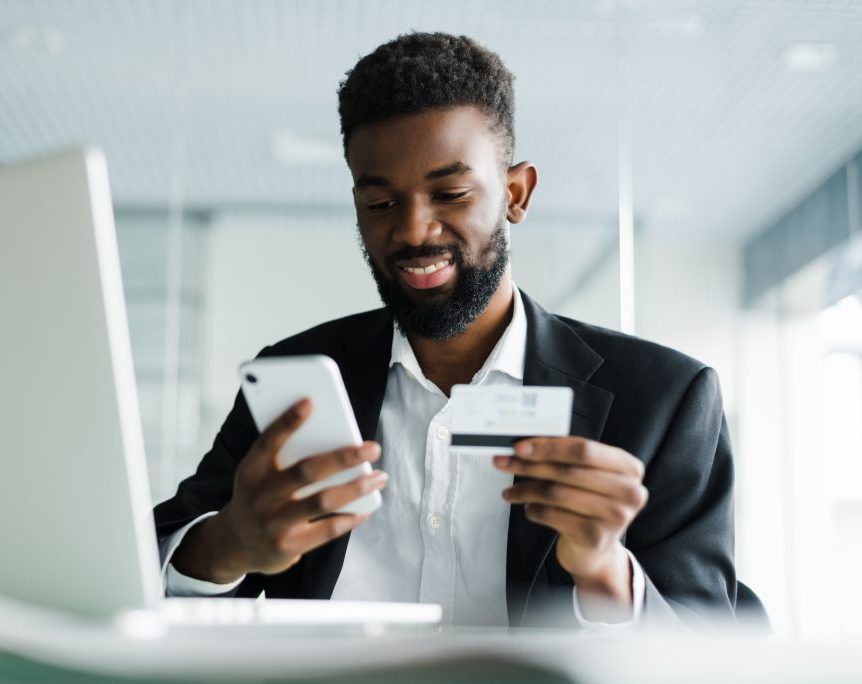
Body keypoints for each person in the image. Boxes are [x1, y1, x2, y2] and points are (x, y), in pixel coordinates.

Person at [153, 32, 735, 628]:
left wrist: (604, 569)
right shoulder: (295, 380)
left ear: (515, 192)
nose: (412, 231)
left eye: (450, 193)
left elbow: (710, 651)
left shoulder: (664, 399)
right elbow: (140, 571)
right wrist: (227, 545)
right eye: (379, 204)